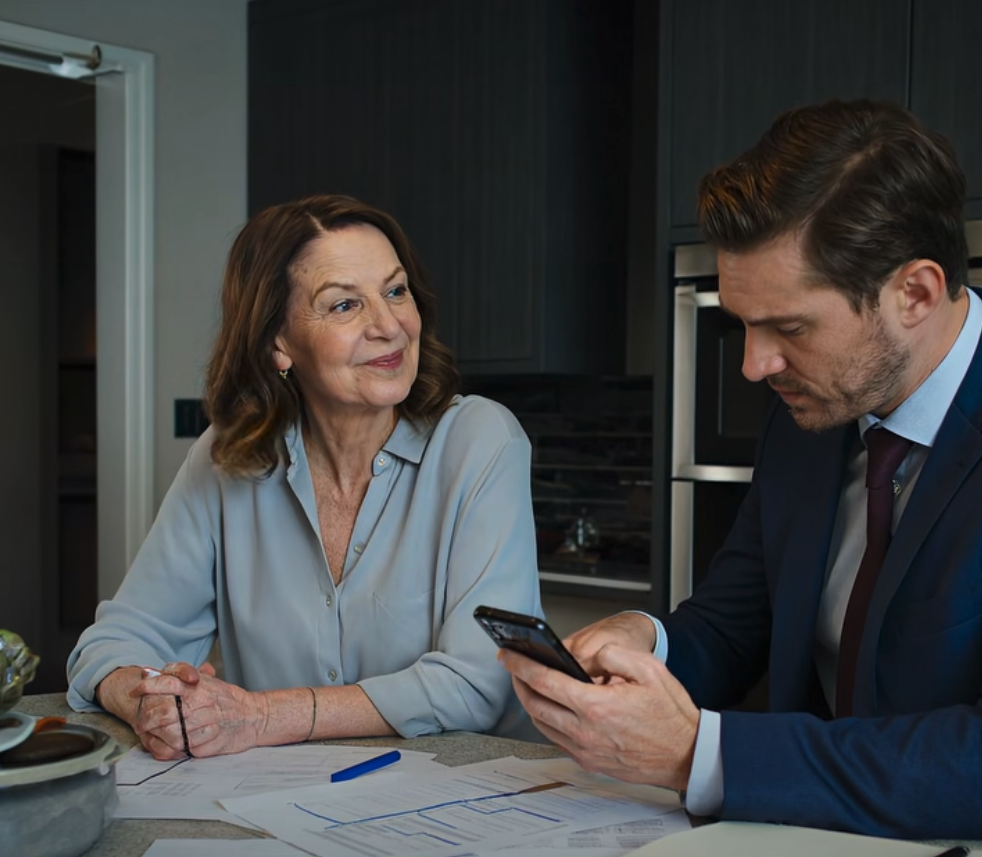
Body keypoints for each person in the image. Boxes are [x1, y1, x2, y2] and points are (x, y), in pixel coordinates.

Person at [501, 99, 982, 840]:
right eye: (744, 326)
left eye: (789, 328)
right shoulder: (807, 422)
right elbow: (734, 622)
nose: (756, 365)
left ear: (914, 293)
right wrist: (643, 644)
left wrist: (701, 752)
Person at [68, 193, 543, 758]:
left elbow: (480, 682)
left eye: (395, 291)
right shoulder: (226, 459)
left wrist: (261, 716)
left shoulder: (481, 440)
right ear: (278, 343)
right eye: (345, 306)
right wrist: (151, 700)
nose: (389, 325)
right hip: (279, 807)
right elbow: (114, 643)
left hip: (467, 809)